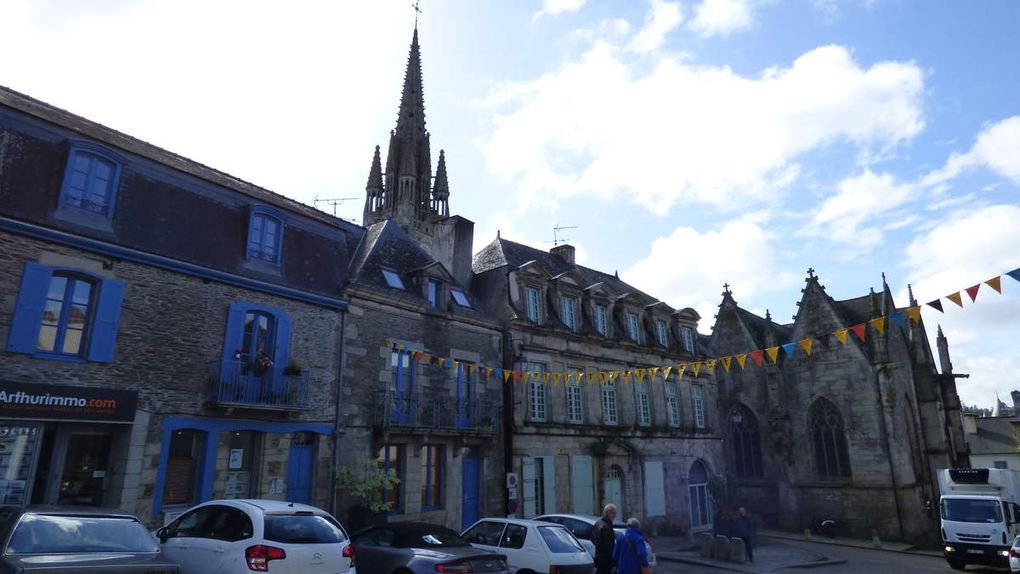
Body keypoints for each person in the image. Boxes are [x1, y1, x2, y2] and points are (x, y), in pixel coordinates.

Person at [591, 504, 618, 574]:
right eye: (612, 513)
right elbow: (609, 547)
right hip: (606, 560)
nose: (614, 515)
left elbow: (592, 538)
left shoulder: (598, 523)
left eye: (615, 513)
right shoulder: (606, 527)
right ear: (606, 513)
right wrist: (613, 563)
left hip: (599, 557)